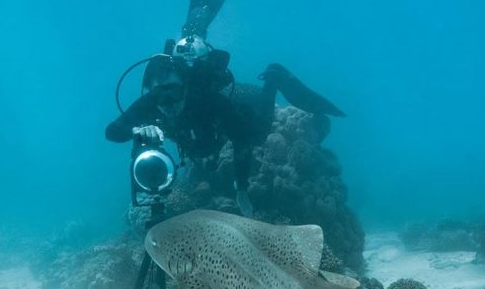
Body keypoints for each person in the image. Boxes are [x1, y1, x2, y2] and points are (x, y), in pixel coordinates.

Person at [105, 34, 344, 217]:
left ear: (186, 88)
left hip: (242, 100)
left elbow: (241, 142)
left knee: (259, 134)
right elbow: (112, 132)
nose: (167, 102)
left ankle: (273, 78)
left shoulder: (212, 102)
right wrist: (137, 131)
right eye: (160, 94)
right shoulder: (151, 103)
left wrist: (241, 190)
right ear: (151, 92)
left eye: (174, 92)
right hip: (204, 136)